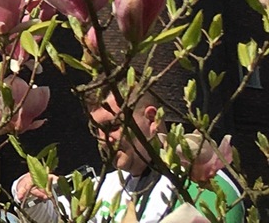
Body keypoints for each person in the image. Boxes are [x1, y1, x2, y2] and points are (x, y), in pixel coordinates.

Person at [14, 92, 243, 223]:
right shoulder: (102, 188)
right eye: (96, 129)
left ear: (152, 120)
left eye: (112, 126)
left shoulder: (201, 182)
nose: (104, 138)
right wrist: (28, 191)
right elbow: (50, 219)